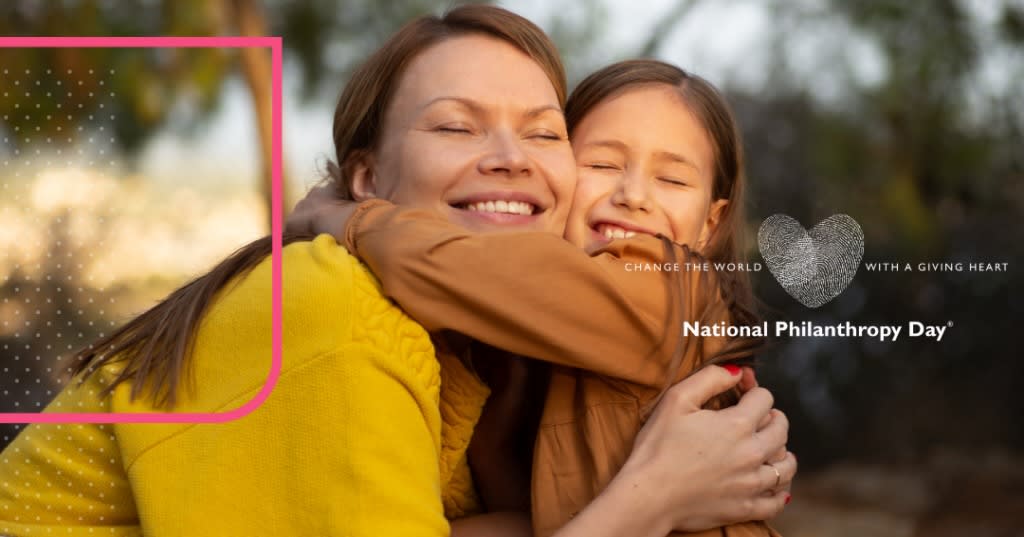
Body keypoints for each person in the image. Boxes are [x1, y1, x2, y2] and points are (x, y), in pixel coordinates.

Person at [0, 6, 791, 537]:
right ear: (369, 177)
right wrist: (653, 496)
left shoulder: (479, 358)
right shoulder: (326, 313)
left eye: (544, 134)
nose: (511, 159)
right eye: (455, 124)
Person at [290, 58, 793, 536]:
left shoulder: (673, 289)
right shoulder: (527, 338)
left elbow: (449, 267)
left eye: (672, 179)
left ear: (711, 223)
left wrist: (342, 216)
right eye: (602, 163)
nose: (634, 194)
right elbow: (545, 518)